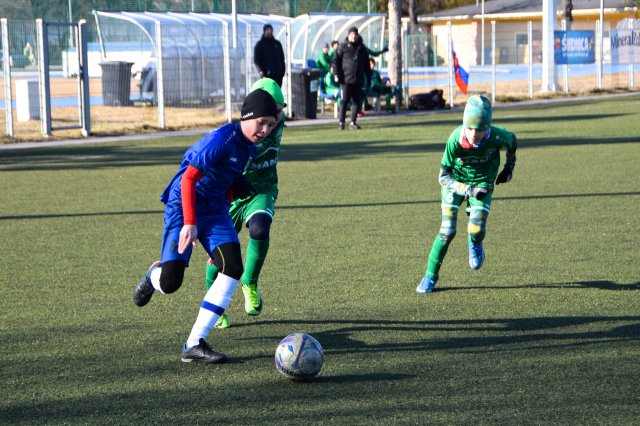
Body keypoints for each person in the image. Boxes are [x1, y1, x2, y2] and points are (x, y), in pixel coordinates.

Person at [132, 89, 278, 363]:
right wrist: (190, 224)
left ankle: (193, 343)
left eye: (270, 124)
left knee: (233, 266)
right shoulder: (222, 140)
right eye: (261, 122)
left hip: (213, 208)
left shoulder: (249, 145)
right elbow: (188, 180)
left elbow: (225, 182)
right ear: (246, 117)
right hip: (184, 205)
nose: (265, 129)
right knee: (171, 283)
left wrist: (216, 239)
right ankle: (154, 276)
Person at [204, 78, 286, 329]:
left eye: (279, 111)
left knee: (260, 229)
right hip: (229, 196)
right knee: (218, 260)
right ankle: (214, 305)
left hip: (262, 190)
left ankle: (250, 282)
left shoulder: (277, 125)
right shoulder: (234, 136)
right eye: (271, 111)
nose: (274, 120)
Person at [416, 95, 517, 294]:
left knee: (476, 229)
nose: (473, 134)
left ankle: (475, 241)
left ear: (487, 127)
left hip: (483, 182)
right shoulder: (455, 139)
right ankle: (430, 276)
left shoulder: (498, 136)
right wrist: (469, 190)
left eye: (479, 129)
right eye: (469, 128)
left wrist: (509, 168)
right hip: (455, 182)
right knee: (447, 231)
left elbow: (512, 142)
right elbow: (443, 177)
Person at [332, 27, 372, 130]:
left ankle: (353, 122)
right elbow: (335, 61)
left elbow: (367, 65)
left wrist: (369, 79)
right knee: (344, 101)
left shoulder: (362, 48)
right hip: (345, 80)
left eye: (355, 34)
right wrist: (337, 75)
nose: (353, 36)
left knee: (356, 102)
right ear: (348, 35)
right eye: (351, 34)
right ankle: (341, 123)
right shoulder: (342, 47)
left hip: (357, 80)